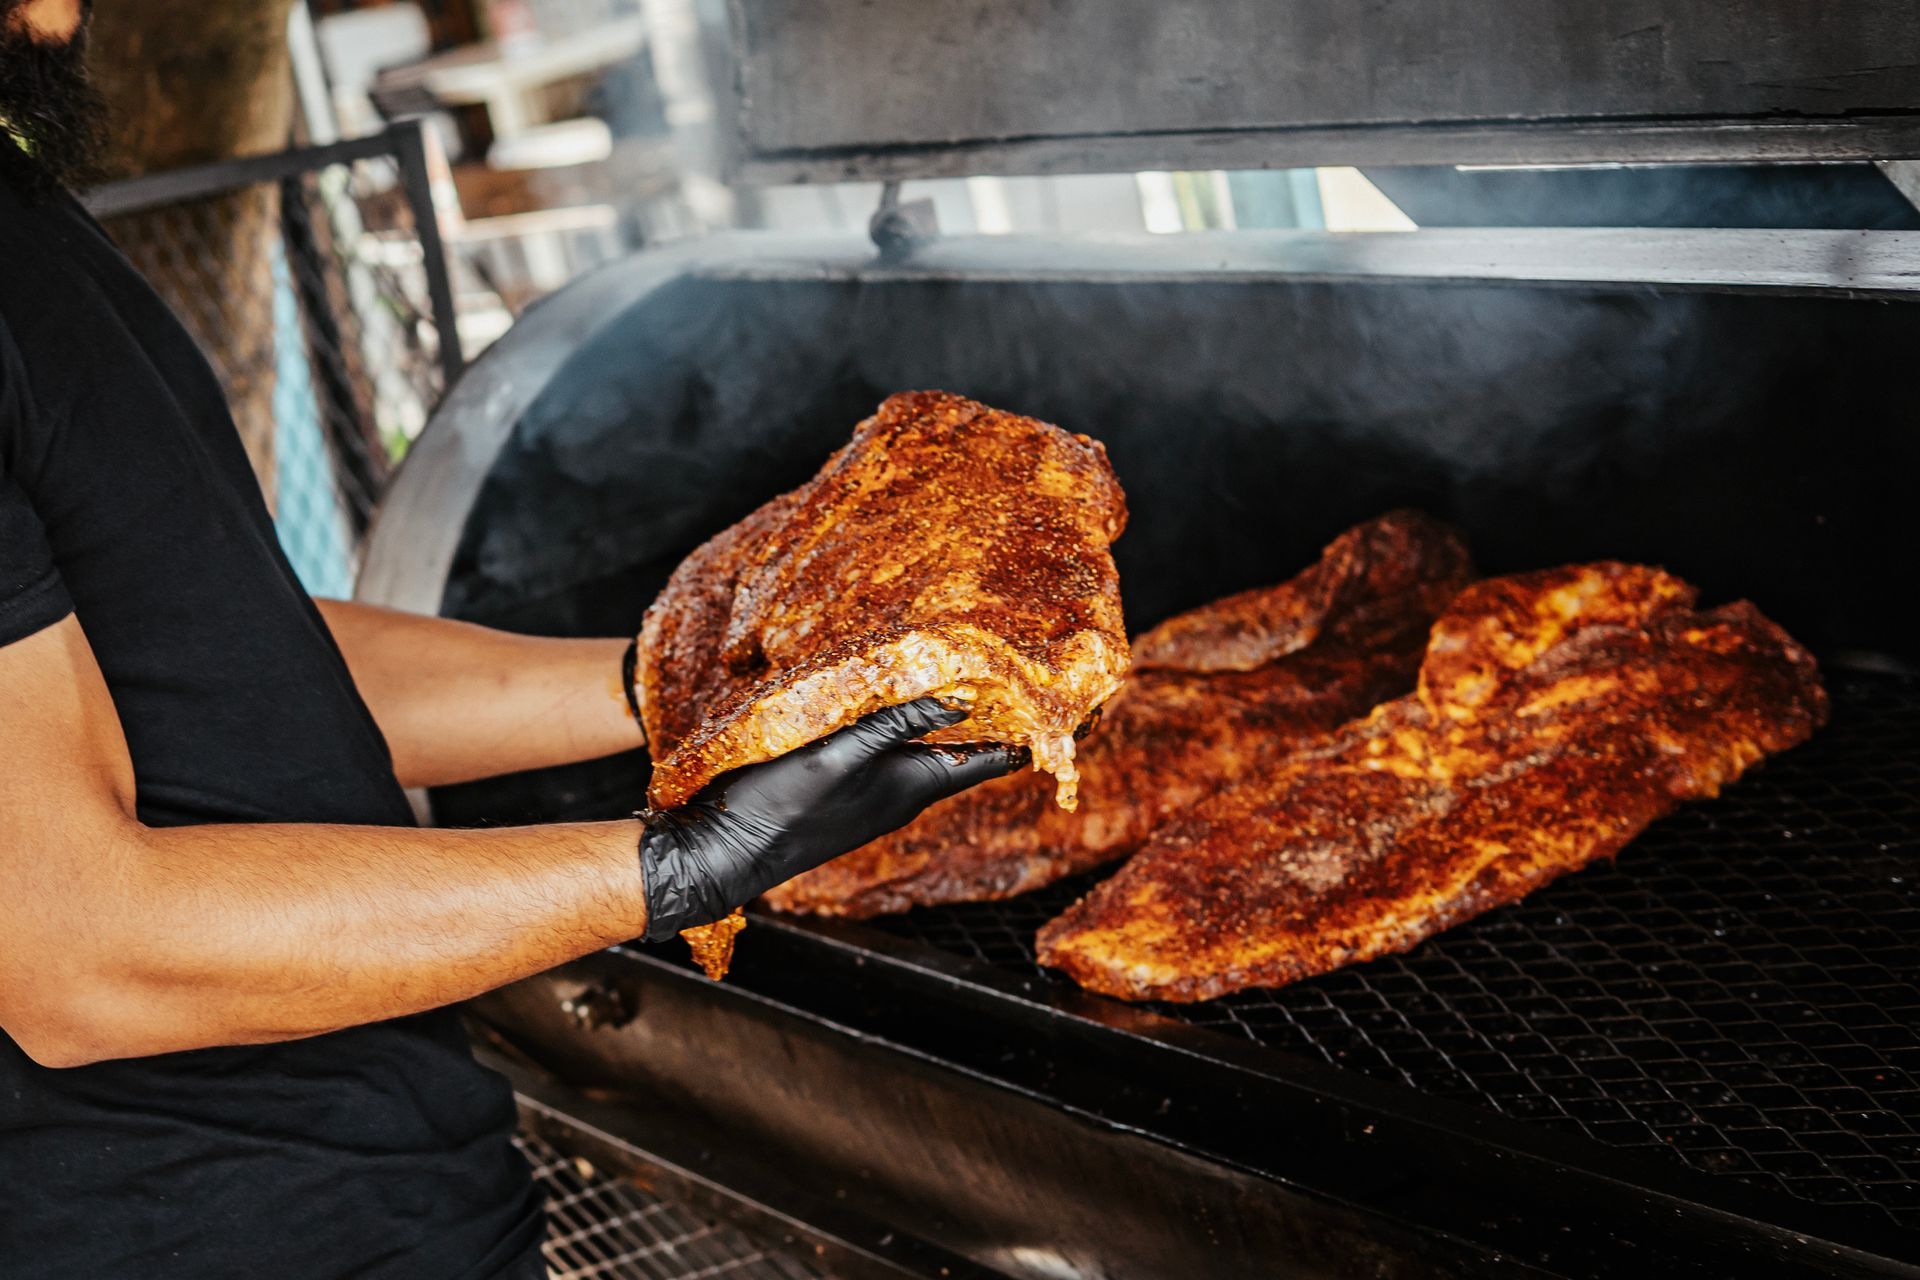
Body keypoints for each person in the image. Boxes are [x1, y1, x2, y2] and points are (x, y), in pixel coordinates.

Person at [0, 2, 1024, 1275]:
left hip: (394, 1191)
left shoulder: (21, 217)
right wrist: (674, 870)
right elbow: (78, 959)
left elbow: (209, 653)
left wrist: (680, 678)